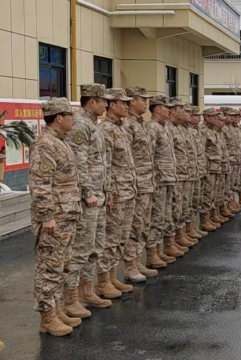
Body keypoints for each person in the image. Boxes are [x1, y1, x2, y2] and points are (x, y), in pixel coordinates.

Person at [30, 98, 82, 336]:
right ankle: (47, 317)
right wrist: (47, 216)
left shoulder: (61, 142)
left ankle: (57, 308)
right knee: (49, 268)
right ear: (59, 118)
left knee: (62, 266)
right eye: (69, 115)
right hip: (55, 218)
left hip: (67, 215)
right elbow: (40, 184)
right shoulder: (45, 144)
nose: (73, 118)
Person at [63, 84, 113, 318]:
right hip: (88, 199)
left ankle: (87, 290)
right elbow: (78, 163)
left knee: (95, 246)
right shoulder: (80, 125)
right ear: (91, 101)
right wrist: (88, 193)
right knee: (81, 250)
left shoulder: (94, 124)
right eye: (103, 101)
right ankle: (72, 298)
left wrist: (105, 192)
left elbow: (100, 162)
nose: (106, 104)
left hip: (99, 196)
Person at [96, 88, 136, 299]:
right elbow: (106, 165)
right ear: (112, 105)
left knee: (121, 236)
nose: (127, 106)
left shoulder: (120, 128)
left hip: (127, 189)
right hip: (116, 192)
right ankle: (103, 281)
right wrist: (109, 193)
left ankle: (112, 277)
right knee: (110, 238)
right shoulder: (106, 130)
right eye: (123, 103)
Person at [122, 86, 156, 283]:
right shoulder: (127, 125)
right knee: (133, 226)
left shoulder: (141, 124)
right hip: (134, 184)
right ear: (132, 101)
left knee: (143, 224)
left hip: (145, 183)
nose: (146, 103)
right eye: (143, 99)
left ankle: (137, 260)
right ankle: (130, 266)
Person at [144, 95, 178, 268]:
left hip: (167, 178)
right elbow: (149, 155)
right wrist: (154, 177)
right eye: (167, 107)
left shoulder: (163, 127)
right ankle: (152, 253)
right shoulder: (152, 128)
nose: (170, 111)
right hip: (159, 179)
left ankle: (159, 249)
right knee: (156, 218)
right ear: (158, 109)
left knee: (164, 216)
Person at [164, 98, 190, 257]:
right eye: (181, 109)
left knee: (180, 206)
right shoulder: (164, 128)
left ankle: (177, 237)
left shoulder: (177, 128)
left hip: (178, 173)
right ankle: (168, 244)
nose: (184, 112)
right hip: (167, 176)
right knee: (170, 211)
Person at [173, 99, 199, 249]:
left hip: (186, 173)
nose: (187, 114)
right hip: (172, 176)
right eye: (183, 110)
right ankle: (172, 241)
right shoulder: (159, 128)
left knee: (186, 204)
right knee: (174, 209)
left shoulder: (185, 130)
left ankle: (185, 232)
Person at [181, 105, 204, 243]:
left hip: (191, 172)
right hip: (176, 175)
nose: (193, 116)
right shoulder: (156, 128)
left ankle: (189, 229)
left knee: (191, 202)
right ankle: (175, 239)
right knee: (177, 208)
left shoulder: (189, 130)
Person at [200, 109, 225, 229]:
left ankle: (211, 216)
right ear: (206, 117)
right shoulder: (203, 131)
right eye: (212, 116)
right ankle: (204, 221)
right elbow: (201, 151)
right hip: (209, 167)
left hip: (216, 166)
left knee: (214, 193)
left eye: (216, 116)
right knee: (207, 194)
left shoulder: (213, 131)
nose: (215, 118)